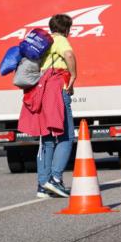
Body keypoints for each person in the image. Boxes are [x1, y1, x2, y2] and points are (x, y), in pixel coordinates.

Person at [34, 14, 77, 197]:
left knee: (47, 139)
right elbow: (69, 54)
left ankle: (43, 184)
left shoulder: (44, 43)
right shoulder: (60, 40)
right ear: (66, 29)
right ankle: (55, 179)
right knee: (67, 136)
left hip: (42, 90)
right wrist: (73, 75)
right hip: (58, 90)